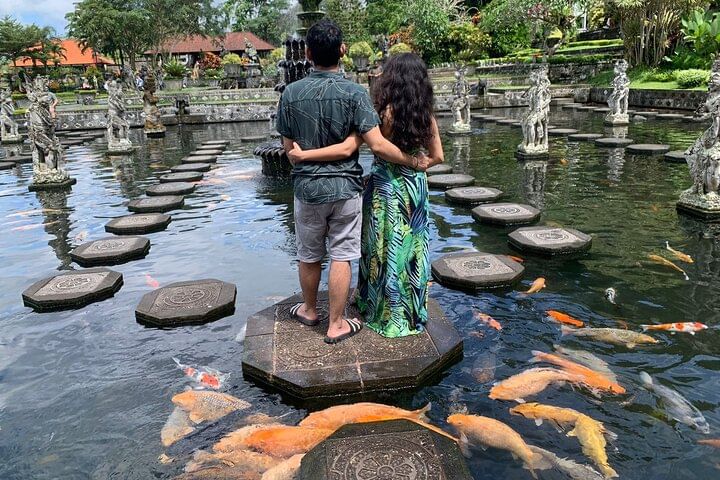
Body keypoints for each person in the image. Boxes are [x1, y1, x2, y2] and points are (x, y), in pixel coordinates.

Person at [277, 20, 431, 344]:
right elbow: (376, 145)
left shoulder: (290, 94)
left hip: (307, 190)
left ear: (307, 53)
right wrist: (412, 161)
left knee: (308, 254)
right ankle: (336, 323)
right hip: (346, 189)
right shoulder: (355, 93)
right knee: (342, 255)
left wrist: (305, 157)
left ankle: (309, 309)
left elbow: (289, 151)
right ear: (343, 51)